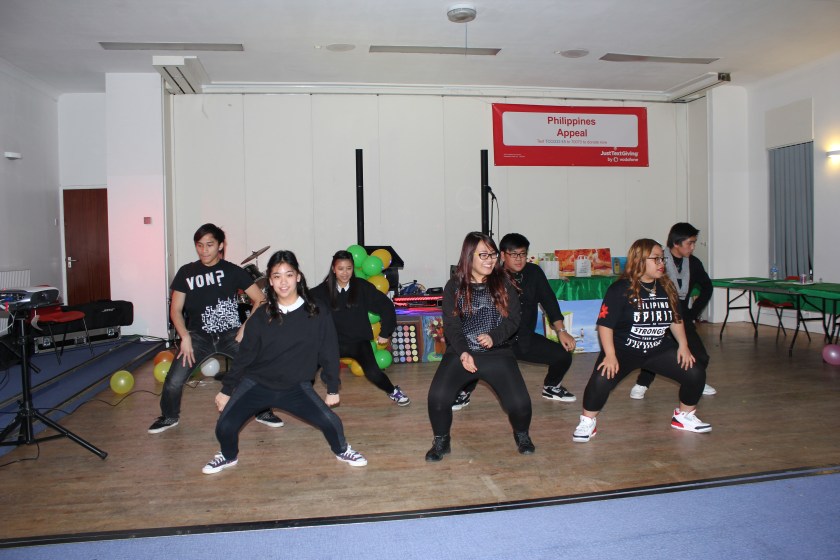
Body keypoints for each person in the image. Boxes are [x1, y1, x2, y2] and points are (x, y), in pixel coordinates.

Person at [202, 250, 367, 474]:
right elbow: (245, 356)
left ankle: (342, 450)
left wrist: (332, 387)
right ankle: (228, 456)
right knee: (224, 426)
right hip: (257, 384)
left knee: (332, 423)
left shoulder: (316, 312)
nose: (283, 282)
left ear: (298, 276)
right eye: (277, 276)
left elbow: (329, 350)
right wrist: (226, 389)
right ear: (270, 281)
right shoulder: (261, 316)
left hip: (296, 387)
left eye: (288, 275)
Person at [572, 238, 711, 443]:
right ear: (639, 260)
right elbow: (605, 325)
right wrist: (610, 355)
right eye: (656, 259)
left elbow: (676, 319)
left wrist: (683, 345)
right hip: (623, 350)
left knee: (695, 371)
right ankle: (587, 421)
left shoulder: (667, 287)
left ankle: (684, 416)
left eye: (662, 258)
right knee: (600, 380)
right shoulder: (620, 289)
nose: (661, 263)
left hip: (657, 349)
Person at [148, 223, 283, 433]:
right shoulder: (186, 272)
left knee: (258, 369)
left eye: (209, 245)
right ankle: (169, 416)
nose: (204, 250)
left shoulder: (232, 271)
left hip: (231, 334)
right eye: (199, 245)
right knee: (174, 380)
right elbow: (175, 310)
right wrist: (185, 337)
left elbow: (261, 299)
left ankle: (263, 411)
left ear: (220, 245)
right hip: (198, 337)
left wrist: (245, 328)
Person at [425, 232, 534, 461]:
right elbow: (452, 326)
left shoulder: (504, 283)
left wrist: (494, 336)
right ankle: (442, 441)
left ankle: (522, 435)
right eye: (483, 255)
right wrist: (463, 351)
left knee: (520, 404)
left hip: (497, 352)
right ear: (469, 256)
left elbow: (514, 319)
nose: (490, 260)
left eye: (492, 255)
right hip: (462, 352)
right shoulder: (454, 286)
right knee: (437, 398)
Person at [452, 233, 576, 411]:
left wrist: (561, 331)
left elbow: (549, 302)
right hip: (496, 339)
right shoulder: (492, 275)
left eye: (523, 254)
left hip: (524, 338)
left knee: (563, 355)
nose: (519, 259)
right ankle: (463, 392)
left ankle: (551, 387)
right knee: (476, 359)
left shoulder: (534, 273)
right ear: (503, 255)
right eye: (514, 254)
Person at [310, 250, 409, 406]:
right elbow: (302, 306)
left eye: (348, 268)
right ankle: (301, 396)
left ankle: (393, 391)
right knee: (307, 371)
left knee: (374, 373)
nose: (345, 273)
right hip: (331, 342)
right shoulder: (321, 291)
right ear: (334, 269)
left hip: (358, 342)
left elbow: (386, 306)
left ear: (353, 269)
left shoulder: (362, 287)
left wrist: (385, 332)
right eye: (340, 268)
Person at [629, 223, 716, 399]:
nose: (692, 247)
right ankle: (642, 383)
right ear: (676, 243)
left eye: (694, 243)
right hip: (658, 314)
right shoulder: (658, 261)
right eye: (689, 243)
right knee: (654, 352)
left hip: (681, 315)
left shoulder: (694, 263)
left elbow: (707, 287)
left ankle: (696, 381)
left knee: (700, 355)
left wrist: (693, 312)